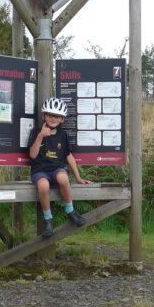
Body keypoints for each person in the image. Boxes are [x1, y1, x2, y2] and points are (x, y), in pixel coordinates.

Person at [28, 97, 92, 239]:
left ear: (62, 119)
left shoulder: (62, 135)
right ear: (44, 116)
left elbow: (68, 156)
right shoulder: (36, 132)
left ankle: (70, 210)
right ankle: (48, 219)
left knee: (63, 177)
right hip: (40, 172)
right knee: (43, 186)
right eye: (50, 115)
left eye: (57, 116)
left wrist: (78, 177)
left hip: (56, 170)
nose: (53, 119)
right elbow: (32, 155)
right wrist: (40, 137)